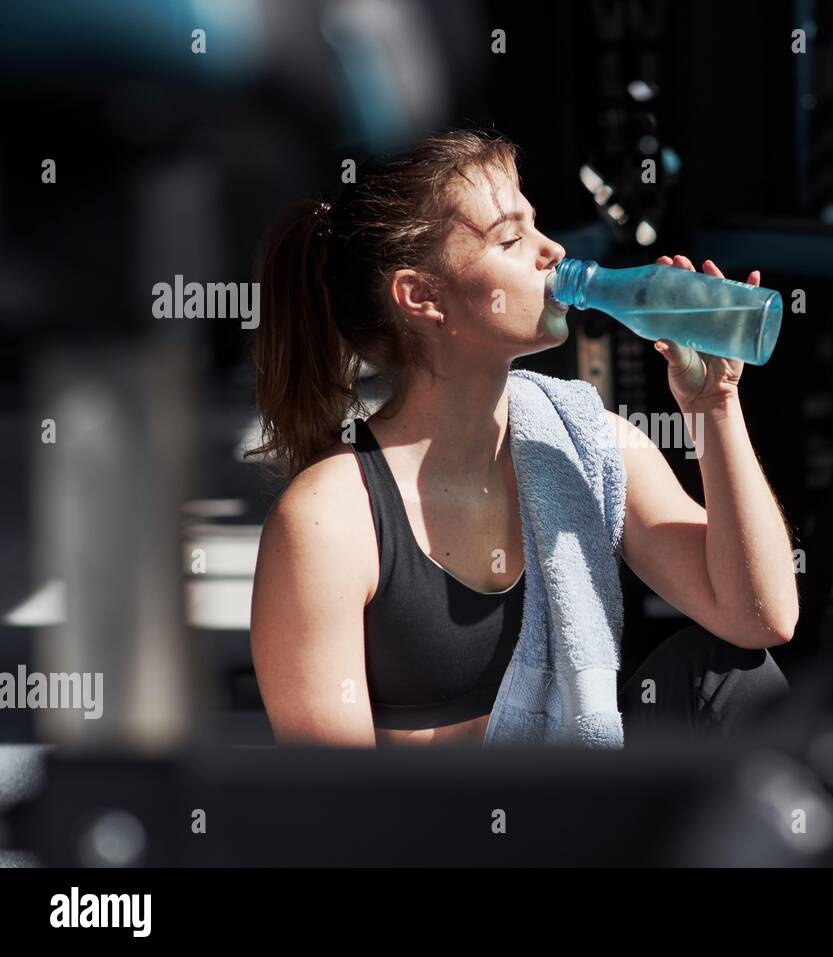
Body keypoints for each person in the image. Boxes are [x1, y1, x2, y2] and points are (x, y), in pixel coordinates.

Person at [247, 128, 797, 748]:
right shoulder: (328, 520)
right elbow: (332, 812)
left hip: (586, 810)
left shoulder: (584, 443)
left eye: (535, 226)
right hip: (446, 839)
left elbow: (761, 620)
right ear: (421, 296)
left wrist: (715, 407)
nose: (553, 250)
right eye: (511, 238)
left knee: (726, 676)